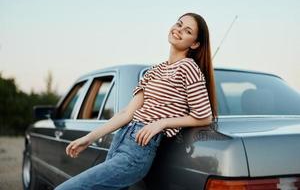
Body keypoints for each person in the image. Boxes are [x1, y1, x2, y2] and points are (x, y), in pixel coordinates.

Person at [55, 12, 218, 190]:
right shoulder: (154, 70)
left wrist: (161, 123)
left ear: (194, 43)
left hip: (138, 150)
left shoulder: (188, 67)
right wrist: (89, 138)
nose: (179, 30)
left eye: (187, 31)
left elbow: (204, 116)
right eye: (179, 24)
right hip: (121, 140)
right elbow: (126, 113)